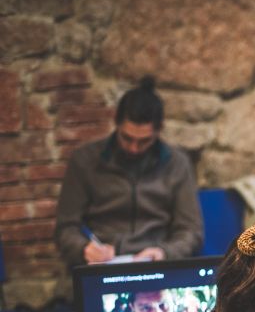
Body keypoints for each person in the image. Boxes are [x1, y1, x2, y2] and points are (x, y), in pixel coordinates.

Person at [54, 77, 203, 266]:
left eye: (144, 141)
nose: (134, 148)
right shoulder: (85, 160)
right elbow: (66, 228)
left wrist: (165, 252)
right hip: (102, 262)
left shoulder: (176, 164)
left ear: (159, 131)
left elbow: (191, 231)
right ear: (116, 124)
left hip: (155, 262)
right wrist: (84, 248)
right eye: (127, 138)